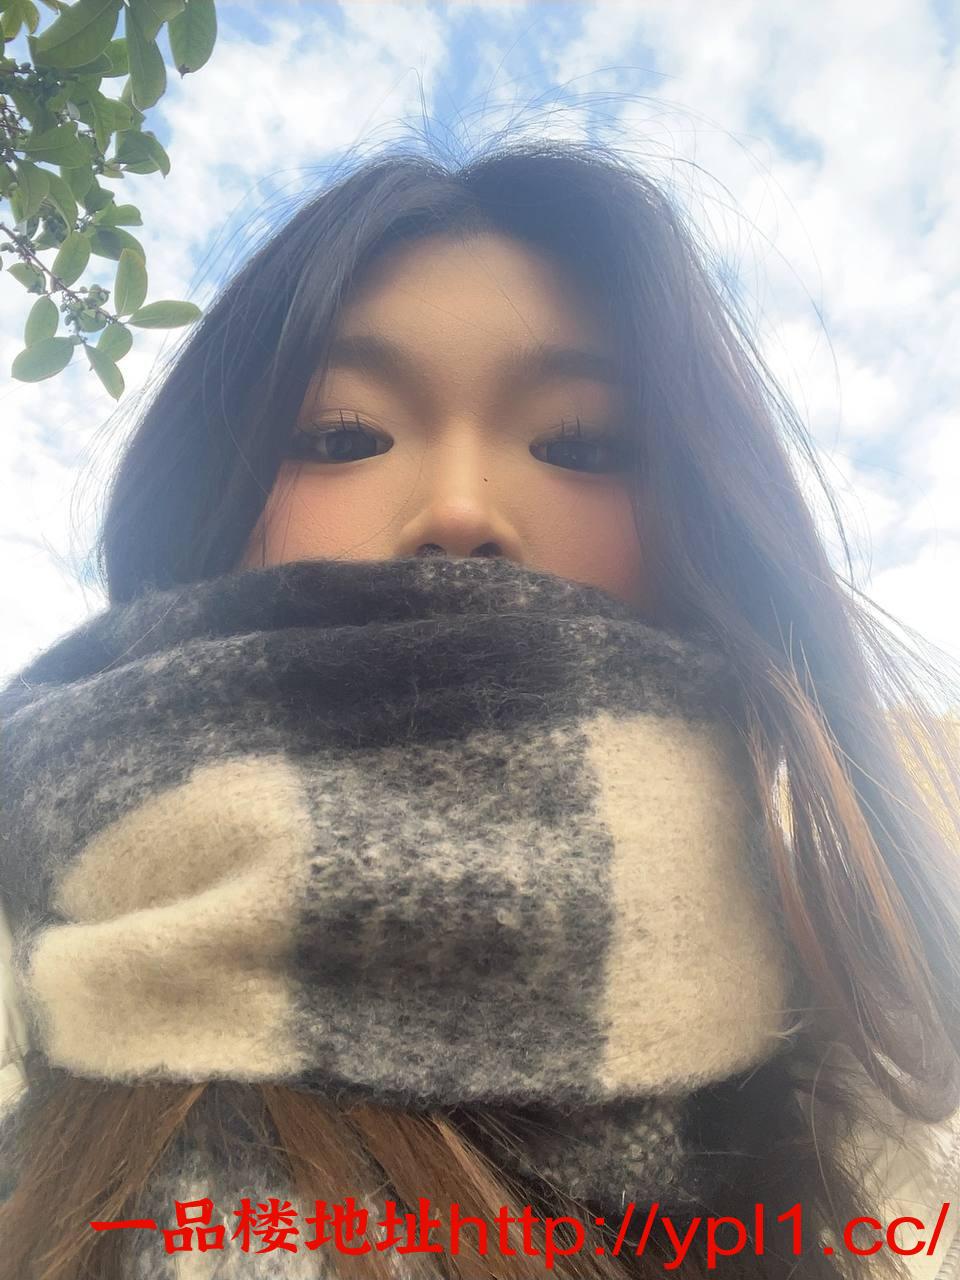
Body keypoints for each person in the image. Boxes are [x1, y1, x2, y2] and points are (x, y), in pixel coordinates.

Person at [1, 134, 959, 1280]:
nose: (460, 507)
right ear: (212, 520)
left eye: (581, 442)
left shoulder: (892, 1124)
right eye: (343, 436)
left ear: (706, 538)